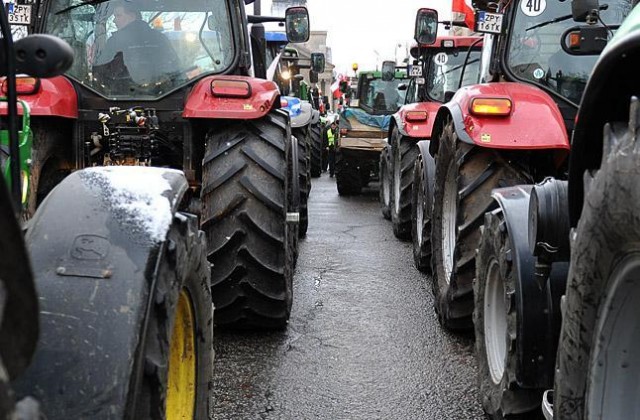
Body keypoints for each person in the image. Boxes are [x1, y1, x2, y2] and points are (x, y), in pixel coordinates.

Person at [93, 2, 180, 87]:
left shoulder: (115, 41)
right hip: (162, 93)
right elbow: (174, 67)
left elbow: (101, 71)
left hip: (122, 94)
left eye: (118, 16)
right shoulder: (160, 38)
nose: (114, 20)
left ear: (132, 16)